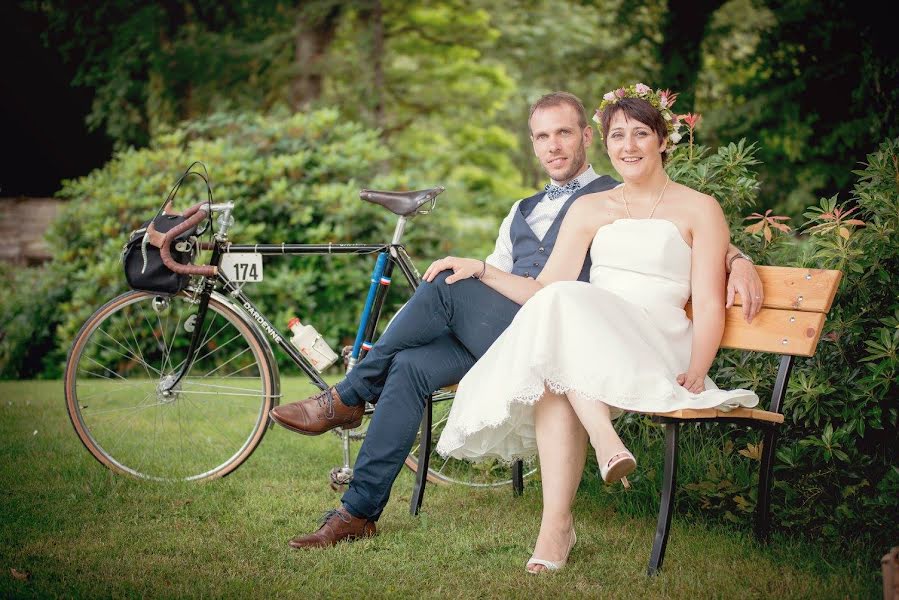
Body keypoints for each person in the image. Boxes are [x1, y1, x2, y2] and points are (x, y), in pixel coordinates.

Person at [269, 90, 763, 549]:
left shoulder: (617, 188)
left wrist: (737, 259)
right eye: (543, 137)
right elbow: (500, 271)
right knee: (410, 366)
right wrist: (478, 270)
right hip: (502, 324)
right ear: (533, 144)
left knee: (442, 286)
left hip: (565, 334)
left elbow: (679, 232)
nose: (554, 146)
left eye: (565, 133)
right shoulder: (520, 210)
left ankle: (348, 396)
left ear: (587, 138)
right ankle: (358, 512)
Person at [434, 84, 761, 573]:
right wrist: (483, 268)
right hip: (594, 336)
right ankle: (561, 516)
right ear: (604, 143)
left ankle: (593, 462)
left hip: (658, 343)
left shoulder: (698, 208)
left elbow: (710, 303)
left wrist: (698, 367)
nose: (628, 146)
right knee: (558, 334)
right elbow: (544, 287)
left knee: (559, 342)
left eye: (641, 134)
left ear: (663, 140)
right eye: (617, 135)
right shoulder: (591, 208)